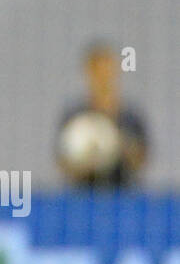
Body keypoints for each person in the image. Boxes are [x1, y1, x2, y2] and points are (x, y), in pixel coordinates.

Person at [56, 43, 148, 189]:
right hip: (83, 197)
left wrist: (117, 142)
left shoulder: (130, 117)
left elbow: (141, 160)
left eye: (107, 69)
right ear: (89, 72)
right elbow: (62, 162)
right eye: (98, 70)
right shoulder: (75, 117)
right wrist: (84, 162)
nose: (103, 77)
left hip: (122, 195)